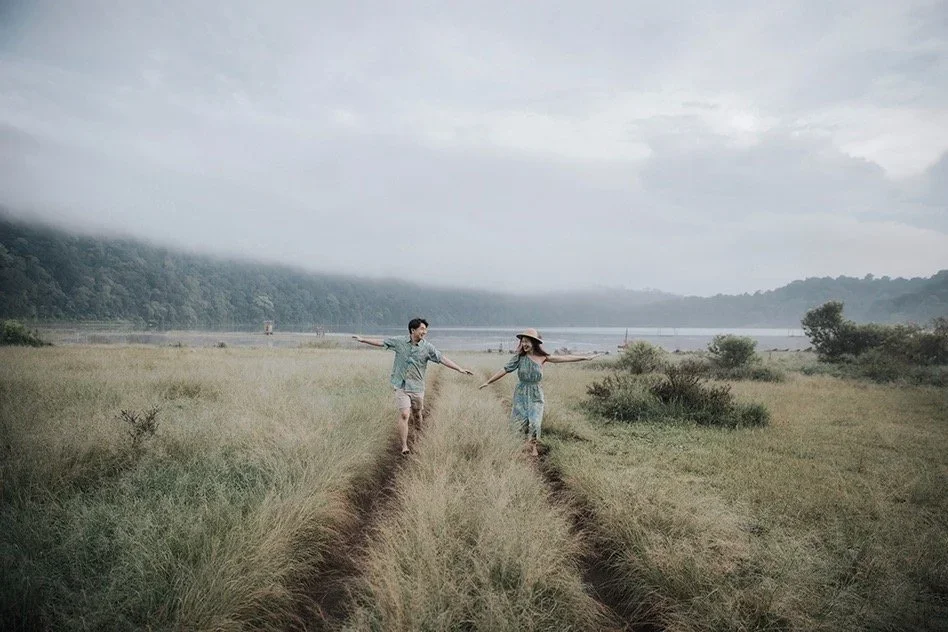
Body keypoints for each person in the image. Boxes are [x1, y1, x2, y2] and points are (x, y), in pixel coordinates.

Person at [354, 317, 473, 455]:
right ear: (413, 330)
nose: (425, 332)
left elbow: (442, 358)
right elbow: (382, 342)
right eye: (422, 329)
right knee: (405, 414)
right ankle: (404, 446)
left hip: (417, 387)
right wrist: (362, 339)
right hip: (401, 385)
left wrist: (459, 369)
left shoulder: (427, 347)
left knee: (417, 414)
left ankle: (419, 434)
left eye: (425, 329)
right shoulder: (399, 342)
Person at [479, 328, 598, 457]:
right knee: (518, 421)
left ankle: (533, 445)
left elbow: (565, 358)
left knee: (535, 421)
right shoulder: (519, 357)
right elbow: (505, 369)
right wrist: (488, 382)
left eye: (527, 341)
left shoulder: (543, 357)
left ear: (534, 343)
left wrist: (585, 357)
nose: (524, 344)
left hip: (536, 393)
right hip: (521, 392)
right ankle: (518, 446)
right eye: (522, 341)